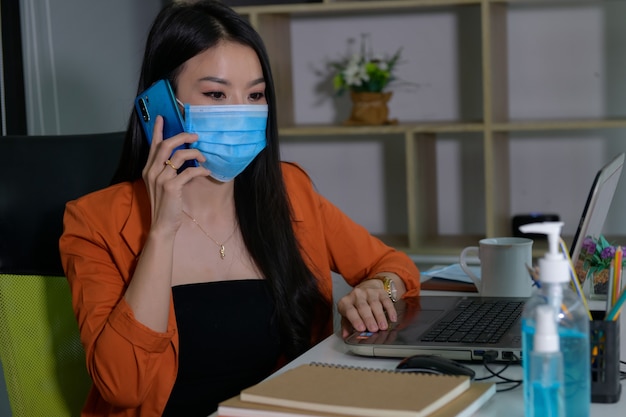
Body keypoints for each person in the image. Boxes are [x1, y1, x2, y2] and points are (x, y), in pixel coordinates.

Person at [59, 1, 420, 416]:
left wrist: (381, 290)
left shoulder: (289, 190)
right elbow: (123, 388)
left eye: (255, 95)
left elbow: (394, 266)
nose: (241, 111)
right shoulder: (94, 222)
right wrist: (161, 231)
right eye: (216, 93)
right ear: (161, 105)